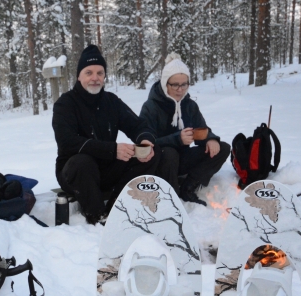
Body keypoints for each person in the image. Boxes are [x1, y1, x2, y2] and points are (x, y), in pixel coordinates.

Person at [52, 45, 163, 224]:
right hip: (76, 174)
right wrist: (113, 150)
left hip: (107, 168)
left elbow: (138, 125)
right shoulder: (65, 104)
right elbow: (68, 142)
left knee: (153, 152)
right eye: (89, 73)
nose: (95, 78)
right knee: (82, 162)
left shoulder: (111, 101)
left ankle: (117, 208)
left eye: (100, 73)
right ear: (79, 75)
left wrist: (145, 140)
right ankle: (96, 215)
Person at [140, 53, 230, 206]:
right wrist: (177, 139)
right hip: (159, 162)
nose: (180, 89)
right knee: (169, 152)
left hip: (182, 159)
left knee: (223, 148)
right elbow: (146, 144)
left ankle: (189, 186)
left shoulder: (190, 106)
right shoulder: (151, 107)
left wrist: (211, 139)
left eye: (184, 84)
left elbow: (202, 130)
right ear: (165, 83)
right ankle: (171, 196)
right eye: (174, 84)